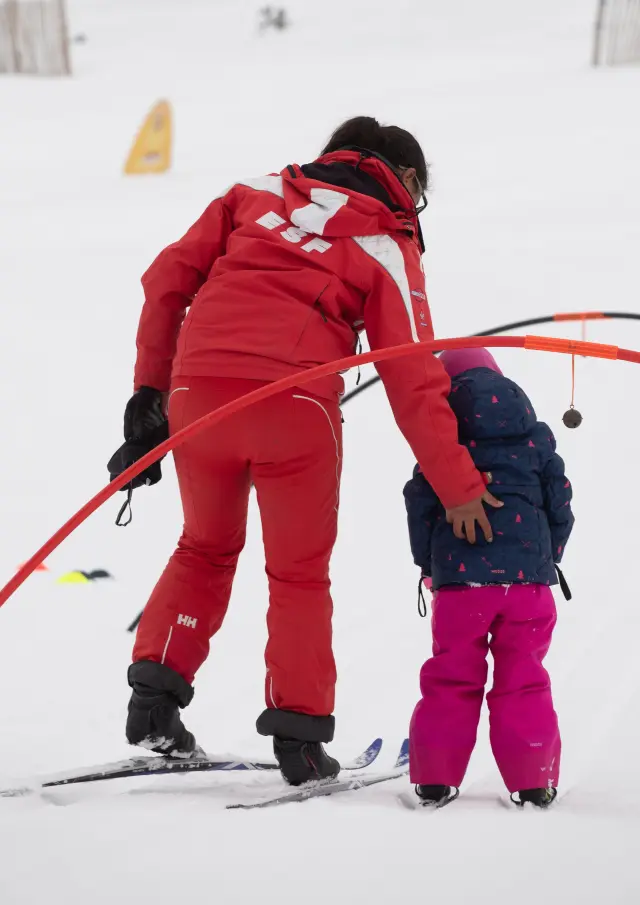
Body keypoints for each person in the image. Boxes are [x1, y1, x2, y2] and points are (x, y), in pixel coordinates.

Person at [113, 116, 499, 787]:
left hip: (197, 393)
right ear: (406, 179)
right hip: (293, 407)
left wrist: (149, 394)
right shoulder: (385, 241)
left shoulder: (252, 193)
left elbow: (166, 278)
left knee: (203, 546)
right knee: (297, 574)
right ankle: (299, 738)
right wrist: (458, 485)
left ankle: (154, 700)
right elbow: (413, 374)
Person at [404, 347, 574, 807]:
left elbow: (420, 505)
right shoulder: (535, 437)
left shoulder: (443, 441)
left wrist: (428, 565)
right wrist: (549, 555)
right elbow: (560, 501)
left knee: (451, 677)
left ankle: (436, 777)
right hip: (527, 587)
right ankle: (533, 779)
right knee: (525, 677)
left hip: (461, 586)